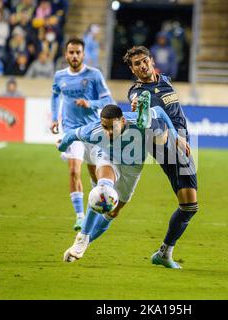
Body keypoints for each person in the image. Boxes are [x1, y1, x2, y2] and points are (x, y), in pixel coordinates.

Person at [58, 103, 189, 263]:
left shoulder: (138, 121)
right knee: (102, 191)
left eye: (112, 127)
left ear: (123, 121)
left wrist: (175, 137)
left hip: (132, 168)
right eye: (105, 127)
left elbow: (160, 111)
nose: (109, 132)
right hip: (107, 158)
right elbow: (71, 134)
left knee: (113, 212)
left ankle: (87, 242)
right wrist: (62, 146)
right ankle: (83, 237)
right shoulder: (94, 131)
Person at [123, 46, 198, 269]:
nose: (142, 66)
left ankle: (164, 253)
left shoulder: (164, 80)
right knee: (189, 205)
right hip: (165, 144)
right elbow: (140, 106)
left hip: (183, 141)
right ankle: (164, 253)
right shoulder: (137, 92)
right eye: (137, 64)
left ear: (151, 60)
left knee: (190, 207)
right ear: (132, 69)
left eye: (144, 61)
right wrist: (137, 108)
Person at [51, 38, 114, 231]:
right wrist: (55, 118)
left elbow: (109, 100)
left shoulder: (94, 75)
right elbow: (55, 95)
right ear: (66, 54)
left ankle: (99, 202)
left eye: (78, 52)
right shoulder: (60, 76)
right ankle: (80, 216)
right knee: (73, 171)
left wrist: (90, 104)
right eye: (71, 52)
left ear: (83, 54)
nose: (74, 56)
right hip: (71, 131)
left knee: (95, 176)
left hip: (93, 130)